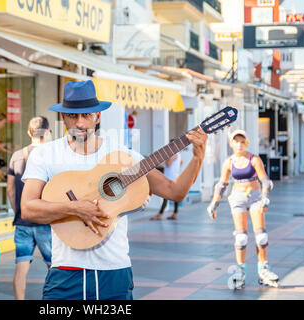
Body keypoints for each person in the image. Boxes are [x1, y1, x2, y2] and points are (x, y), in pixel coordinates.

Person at [20, 80, 208, 300]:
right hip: (65, 272)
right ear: (63, 117)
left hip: (114, 271)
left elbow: (174, 192)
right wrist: (75, 208)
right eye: (73, 115)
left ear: (98, 116)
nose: (80, 123)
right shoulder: (45, 154)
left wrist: (198, 157)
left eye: (87, 115)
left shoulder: (121, 155)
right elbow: (28, 209)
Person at [207, 129, 279, 289]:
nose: (239, 144)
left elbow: (265, 179)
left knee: (261, 236)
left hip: (255, 197)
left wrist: (265, 196)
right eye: (236, 141)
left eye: (242, 141)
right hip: (237, 198)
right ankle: (240, 270)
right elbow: (222, 184)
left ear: (246, 143)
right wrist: (214, 203)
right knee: (241, 238)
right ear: (231, 143)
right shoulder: (228, 162)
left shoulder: (254, 159)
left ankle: (263, 270)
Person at [7, 116, 52, 300]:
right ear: (47, 132)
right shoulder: (50, 156)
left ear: (29, 133)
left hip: (23, 222)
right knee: (55, 268)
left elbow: (10, 188)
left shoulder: (17, 156)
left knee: (21, 267)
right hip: (45, 221)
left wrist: (18, 210)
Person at [150, 141, 184, 221]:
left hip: (169, 178)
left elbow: (168, 164)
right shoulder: (179, 154)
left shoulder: (172, 154)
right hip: (175, 177)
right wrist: (176, 168)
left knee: (165, 197)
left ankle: (160, 214)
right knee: (174, 197)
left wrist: (167, 159)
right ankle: (174, 213)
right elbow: (181, 162)